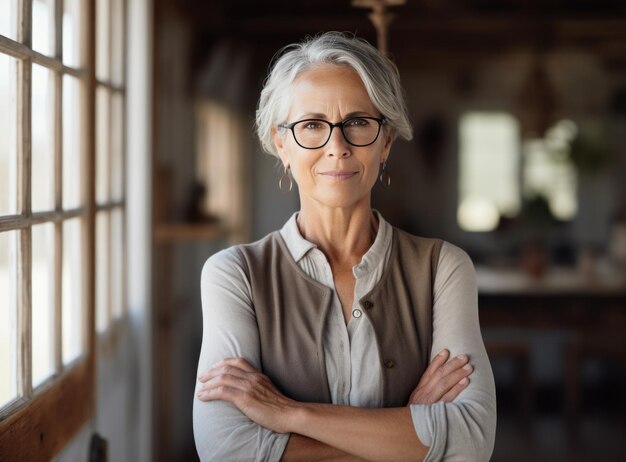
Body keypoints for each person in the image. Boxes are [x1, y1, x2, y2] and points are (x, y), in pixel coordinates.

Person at [193, 32, 496, 461]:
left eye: (357, 122)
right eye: (312, 125)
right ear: (282, 145)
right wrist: (410, 431)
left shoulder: (442, 267)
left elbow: (471, 442)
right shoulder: (235, 274)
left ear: (385, 141)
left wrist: (291, 414)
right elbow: (227, 450)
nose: (337, 147)